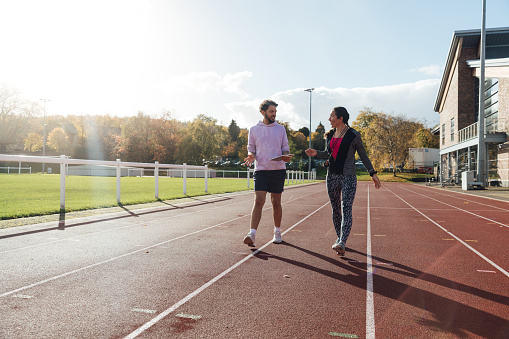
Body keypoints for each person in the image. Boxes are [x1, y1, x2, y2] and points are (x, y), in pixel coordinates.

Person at [305, 106, 381, 256]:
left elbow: (363, 155)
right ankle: (339, 237)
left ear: (340, 118)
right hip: (332, 176)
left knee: (346, 208)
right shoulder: (330, 134)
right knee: (336, 209)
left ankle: (342, 242)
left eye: (331, 116)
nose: (329, 119)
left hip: (348, 177)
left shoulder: (353, 135)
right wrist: (316, 153)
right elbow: (329, 154)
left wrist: (372, 173)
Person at [243, 99, 293, 247]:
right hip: (261, 170)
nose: (274, 114)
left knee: (276, 202)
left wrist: (286, 155)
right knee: (258, 201)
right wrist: (251, 155)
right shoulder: (253, 129)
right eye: (271, 111)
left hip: (278, 170)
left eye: (275, 112)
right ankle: (251, 234)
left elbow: (285, 147)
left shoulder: (281, 129)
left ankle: (277, 232)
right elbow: (251, 148)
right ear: (263, 112)